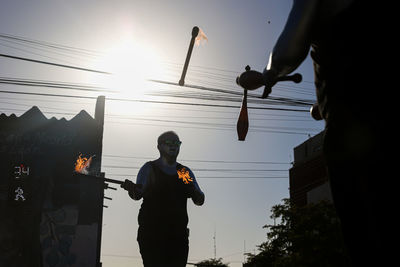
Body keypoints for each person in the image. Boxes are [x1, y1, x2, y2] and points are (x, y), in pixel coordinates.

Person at [259, 1, 388, 266]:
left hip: (354, 136)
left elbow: (287, 52)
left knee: (367, 236)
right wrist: (324, 105)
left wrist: (270, 73)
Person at [121, 131, 205, 267]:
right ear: (159, 146)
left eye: (177, 143)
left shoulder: (183, 172)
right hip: (152, 235)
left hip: (178, 237)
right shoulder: (150, 168)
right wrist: (131, 188)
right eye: (169, 143)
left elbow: (199, 200)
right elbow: (137, 194)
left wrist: (194, 191)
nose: (174, 146)